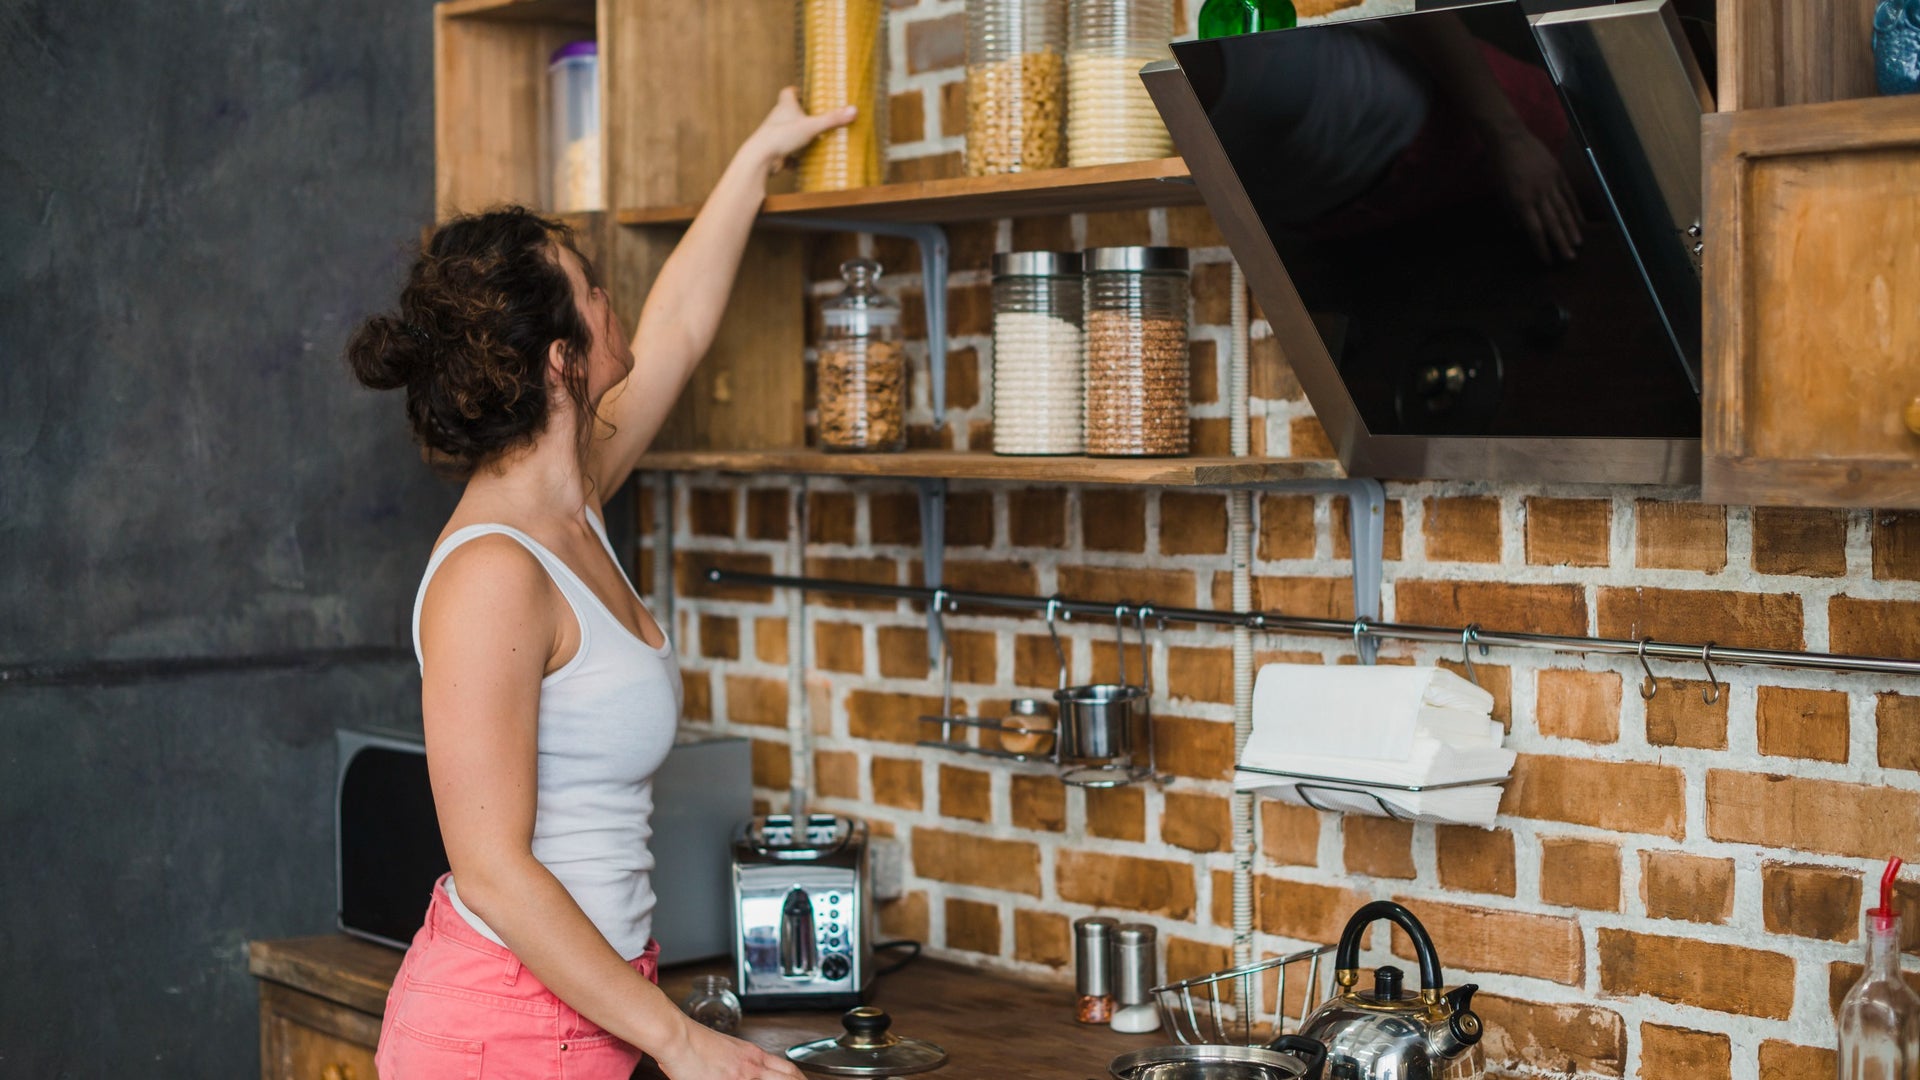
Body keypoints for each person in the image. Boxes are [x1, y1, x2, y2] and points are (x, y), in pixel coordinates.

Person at [344, 88, 852, 1080]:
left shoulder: (578, 506)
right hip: (499, 1030)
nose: (616, 295)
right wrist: (681, 1039)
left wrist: (761, 151)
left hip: (585, 1011)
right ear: (561, 362)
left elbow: (682, 329)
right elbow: (491, 869)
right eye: (592, 285)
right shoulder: (494, 572)